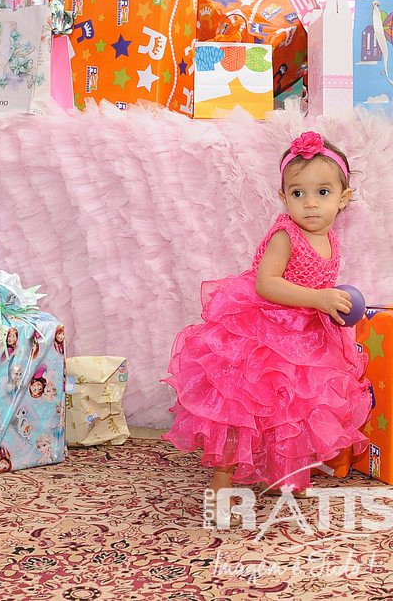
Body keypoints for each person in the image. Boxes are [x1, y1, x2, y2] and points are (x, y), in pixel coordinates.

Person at [163, 131, 371, 511]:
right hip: (264, 331)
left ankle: (283, 476)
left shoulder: (330, 239)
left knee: (293, 410)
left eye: (323, 192)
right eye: (298, 193)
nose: (310, 203)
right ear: (283, 197)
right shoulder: (285, 235)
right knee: (241, 409)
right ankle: (222, 483)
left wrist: (331, 302)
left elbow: (317, 283)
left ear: (344, 198)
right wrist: (319, 299)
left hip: (303, 337)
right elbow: (267, 283)